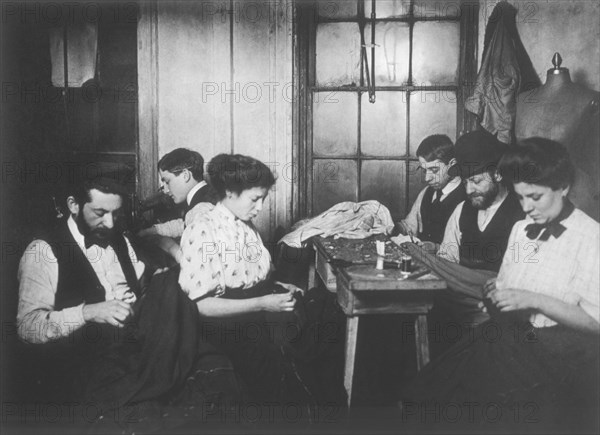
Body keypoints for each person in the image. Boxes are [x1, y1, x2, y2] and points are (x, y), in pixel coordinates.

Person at [401, 138, 599, 432]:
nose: (527, 207)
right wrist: (495, 295)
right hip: (513, 338)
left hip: (562, 354)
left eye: (535, 197)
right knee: (426, 392)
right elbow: (509, 282)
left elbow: (596, 322)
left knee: (478, 408)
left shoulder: (590, 237)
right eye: (520, 198)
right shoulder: (522, 229)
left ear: (563, 188)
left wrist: (533, 300)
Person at [15, 175, 229, 429]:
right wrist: (87, 312)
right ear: (73, 205)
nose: (109, 223)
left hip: (135, 343)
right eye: (100, 212)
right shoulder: (43, 251)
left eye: (116, 214)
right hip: (90, 358)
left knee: (215, 363)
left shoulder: (120, 239)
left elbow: (141, 285)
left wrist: (152, 285)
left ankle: (162, 378)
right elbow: (28, 327)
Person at [178, 153, 346, 408]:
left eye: (263, 199)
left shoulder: (245, 226)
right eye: (255, 199)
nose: (259, 207)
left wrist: (278, 286)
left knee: (328, 311)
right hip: (227, 334)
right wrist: (263, 303)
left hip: (257, 320)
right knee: (289, 376)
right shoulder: (203, 228)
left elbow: (248, 278)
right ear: (230, 192)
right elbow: (200, 305)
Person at [137, 148, 218, 262]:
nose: (165, 190)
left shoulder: (202, 209)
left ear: (185, 175)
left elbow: (196, 262)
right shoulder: (204, 196)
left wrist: (169, 246)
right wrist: (154, 230)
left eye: (167, 181)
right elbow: (184, 224)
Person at [393, 134, 466, 250]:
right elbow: (410, 225)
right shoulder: (426, 193)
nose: (427, 178)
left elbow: (465, 251)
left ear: (452, 164)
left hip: (448, 265)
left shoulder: (467, 198)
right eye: (425, 170)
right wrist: (391, 228)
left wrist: (436, 248)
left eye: (434, 170)